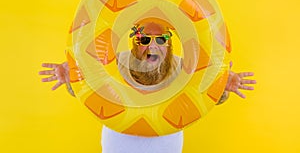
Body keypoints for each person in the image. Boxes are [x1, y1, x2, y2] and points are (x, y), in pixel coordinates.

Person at [39, 21, 256, 153]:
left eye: (160, 40)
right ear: (135, 42)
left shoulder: (182, 66)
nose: (152, 46)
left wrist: (223, 86)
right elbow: (89, 93)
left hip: (165, 143)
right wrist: (72, 79)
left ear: (169, 44)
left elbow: (211, 98)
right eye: (144, 40)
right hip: (120, 142)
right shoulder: (115, 62)